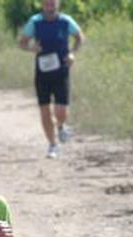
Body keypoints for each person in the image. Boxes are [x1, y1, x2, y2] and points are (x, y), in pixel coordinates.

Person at [18, 0, 84, 159]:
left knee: (61, 110)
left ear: (58, 4)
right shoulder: (35, 22)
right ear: (42, 5)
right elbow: (22, 42)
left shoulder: (66, 21)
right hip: (42, 71)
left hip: (61, 69)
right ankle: (52, 144)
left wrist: (72, 53)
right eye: (47, 3)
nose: (50, 6)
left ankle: (61, 126)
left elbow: (79, 37)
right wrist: (31, 48)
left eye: (53, 3)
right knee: (45, 110)